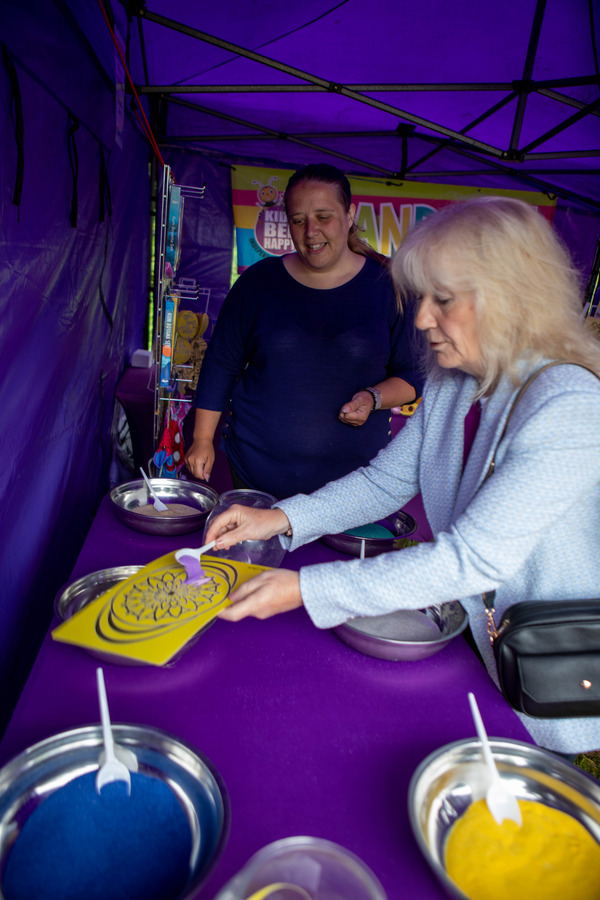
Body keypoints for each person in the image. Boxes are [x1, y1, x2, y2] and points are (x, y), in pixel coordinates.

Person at [204, 196, 600, 755]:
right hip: (480, 646)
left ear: (511, 297)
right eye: (421, 299)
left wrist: (306, 588)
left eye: (443, 300)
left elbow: (473, 559)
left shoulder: (570, 404)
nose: (421, 320)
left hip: (549, 668)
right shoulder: (456, 382)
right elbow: (384, 483)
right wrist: (278, 518)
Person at [185, 163, 422, 499]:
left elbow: (413, 375)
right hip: (254, 473)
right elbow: (221, 363)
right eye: (298, 220)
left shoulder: (390, 287)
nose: (311, 231)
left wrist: (374, 397)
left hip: (353, 485)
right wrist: (203, 440)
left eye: (323, 217)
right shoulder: (258, 283)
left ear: (349, 214)